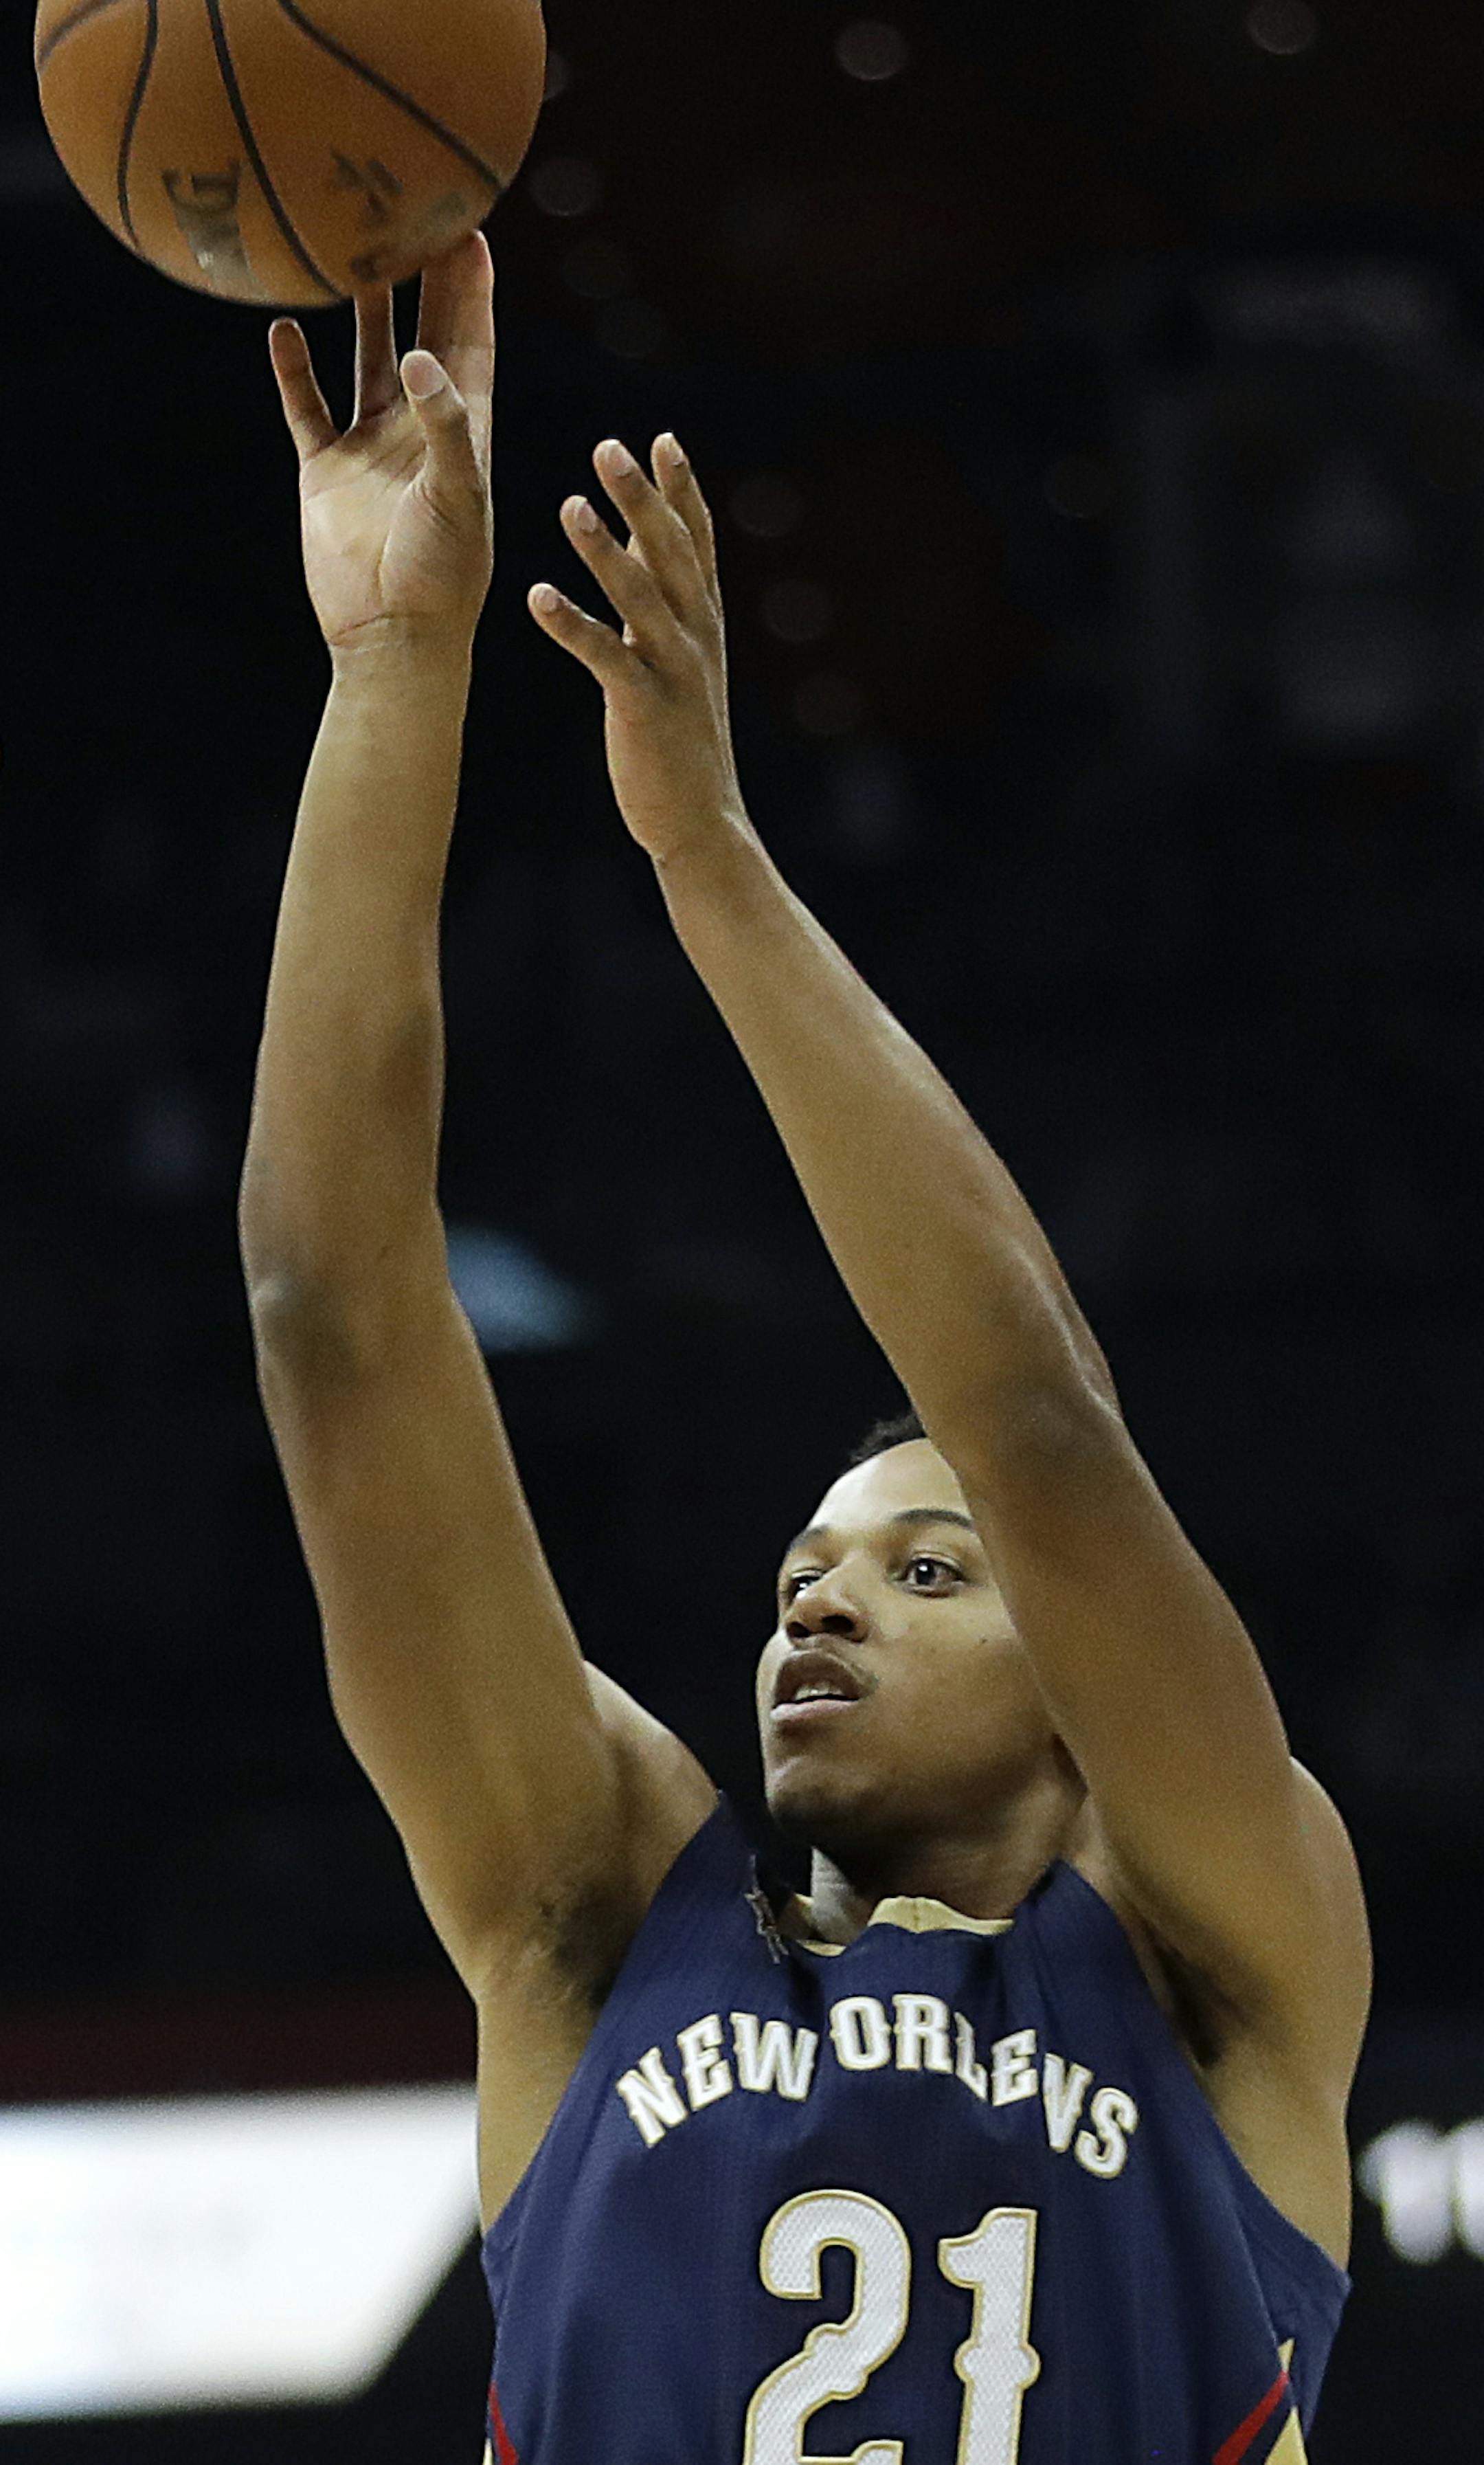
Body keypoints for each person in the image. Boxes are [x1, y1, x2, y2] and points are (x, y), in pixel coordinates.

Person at [242, 232, 1370, 2464]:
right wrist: (392, 667)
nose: (822, 1606)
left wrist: (711, 857)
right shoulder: (593, 1923)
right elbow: (329, 1316)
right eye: (803, 1579)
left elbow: (1037, 1427)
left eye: (926, 1570)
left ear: (1083, 1683)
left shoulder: (1218, 1969)